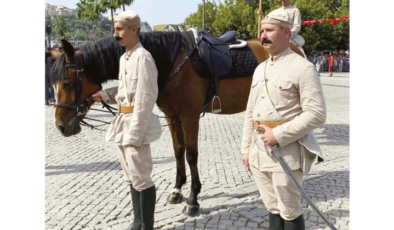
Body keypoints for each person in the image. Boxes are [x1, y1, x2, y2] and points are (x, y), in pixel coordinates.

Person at [241, 9, 326, 230]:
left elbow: (316, 113)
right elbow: (250, 112)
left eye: (269, 30)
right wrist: (246, 149)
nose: (263, 35)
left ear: (287, 33)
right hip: (259, 151)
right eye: (261, 30)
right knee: (272, 207)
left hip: (287, 153)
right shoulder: (259, 70)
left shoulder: (303, 68)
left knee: (289, 210)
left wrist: (277, 134)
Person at [91, 11, 161, 230]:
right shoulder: (125, 57)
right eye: (114, 29)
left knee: (142, 176)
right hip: (122, 120)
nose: (115, 34)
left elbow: (146, 97)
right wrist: (103, 95)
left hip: (135, 124)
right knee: (131, 176)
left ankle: (147, 225)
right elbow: (124, 90)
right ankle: (137, 221)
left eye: (119, 29)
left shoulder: (143, 57)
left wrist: (135, 133)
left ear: (134, 30)